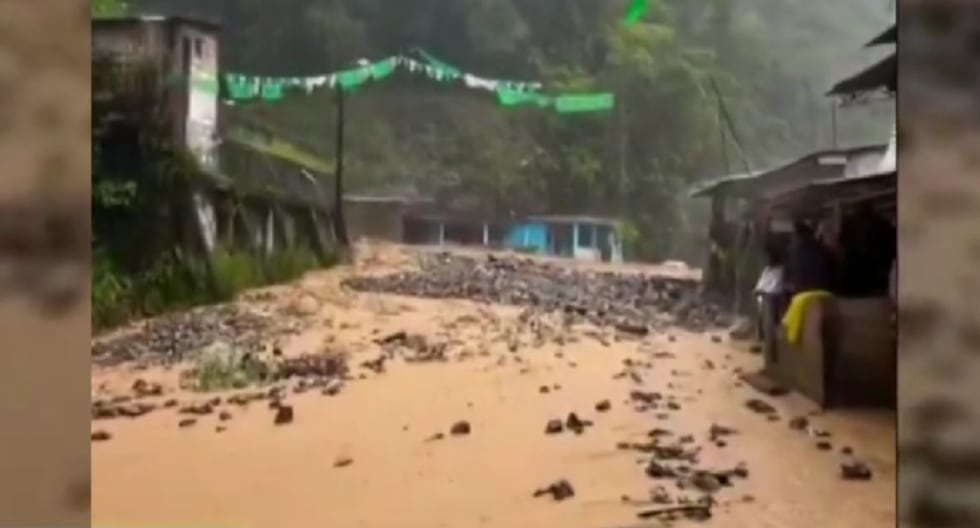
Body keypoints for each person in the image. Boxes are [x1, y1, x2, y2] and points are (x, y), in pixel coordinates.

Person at [783, 219, 835, 295]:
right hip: (820, 290)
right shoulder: (821, 248)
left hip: (800, 291)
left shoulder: (791, 250)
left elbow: (787, 274)